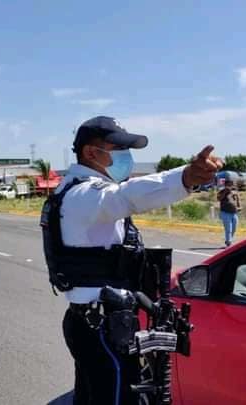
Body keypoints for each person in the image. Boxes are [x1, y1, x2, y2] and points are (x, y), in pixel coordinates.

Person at [42, 116, 222, 405]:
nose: (125, 157)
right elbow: (128, 196)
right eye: (117, 148)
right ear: (91, 153)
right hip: (102, 324)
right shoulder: (84, 194)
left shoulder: (72, 190)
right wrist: (186, 177)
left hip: (95, 319)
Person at [217, 180, 241, 247]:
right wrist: (225, 192)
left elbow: (238, 200)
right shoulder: (221, 191)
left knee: (234, 228)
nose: (230, 186)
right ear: (225, 185)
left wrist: (239, 207)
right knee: (228, 229)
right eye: (228, 185)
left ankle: (228, 240)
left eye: (231, 185)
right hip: (225, 213)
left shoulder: (234, 192)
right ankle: (229, 242)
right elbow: (219, 199)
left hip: (234, 213)